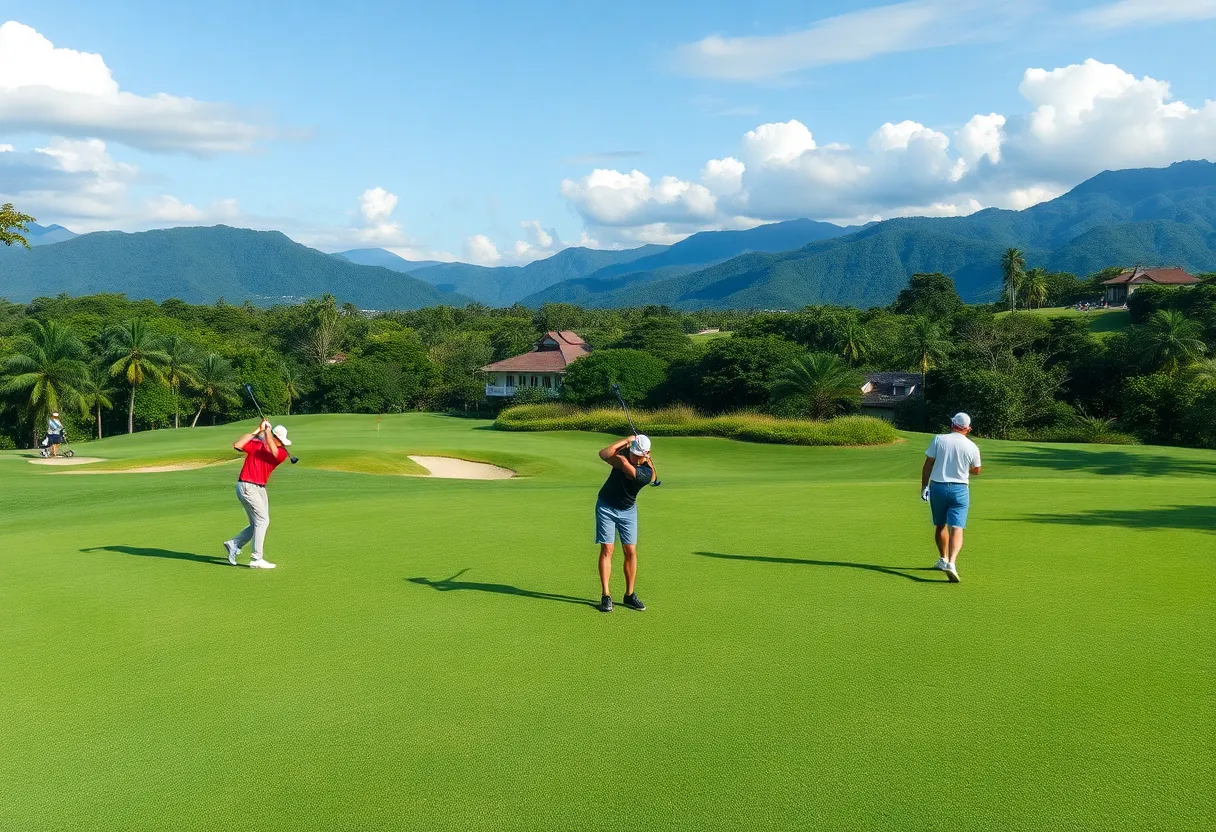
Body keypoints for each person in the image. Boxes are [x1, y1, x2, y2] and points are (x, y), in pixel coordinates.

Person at [595, 434, 656, 612]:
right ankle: (606, 595)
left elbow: (621, 463)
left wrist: (621, 455)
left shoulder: (646, 474)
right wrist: (627, 440)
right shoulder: (627, 454)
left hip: (628, 511)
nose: (634, 457)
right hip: (606, 506)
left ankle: (629, 595)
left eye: (638, 455)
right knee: (607, 549)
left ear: (647, 455)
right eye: (633, 453)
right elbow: (603, 453)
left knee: (630, 551)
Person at [920, 412, 982, 583]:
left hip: (938, 487)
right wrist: (964, 468)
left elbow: (928, 464)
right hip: (960, 489)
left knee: (940, 525)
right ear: (968, 429)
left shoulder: (939, 440)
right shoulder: (972, 446)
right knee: (957, 527)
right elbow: (977, 470)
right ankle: (951, 563)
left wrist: (924, 487)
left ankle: (943, 559)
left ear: (952, 424)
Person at [223, 420, 291, 569]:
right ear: (275, 438)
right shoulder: (256, 445)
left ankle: (234, 544)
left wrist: (266, 433)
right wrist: (258, 430)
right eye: (281, 441)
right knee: (263, 521)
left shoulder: (281, 453)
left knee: (257, 523)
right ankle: (256, 558)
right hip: (247, 486)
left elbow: (273, 451)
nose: (283, 444)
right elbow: (238, 445)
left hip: (260, 488)